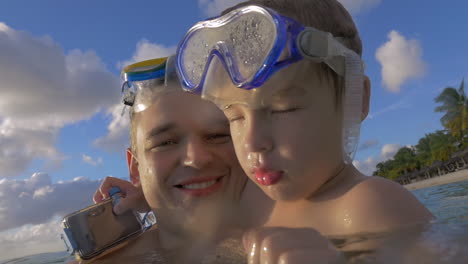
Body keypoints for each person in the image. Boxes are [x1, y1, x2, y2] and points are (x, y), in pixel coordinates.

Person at [175, 0, 434, 262]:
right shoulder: (254, 203)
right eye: (235, 116)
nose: (253, 142)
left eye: (282, 108)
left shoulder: (369, 205)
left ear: (355, 99)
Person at [76, 56, 274, 264]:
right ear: (136, 168)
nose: (196, 158)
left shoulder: (302, 240)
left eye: (218, 135)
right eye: (166, 142)